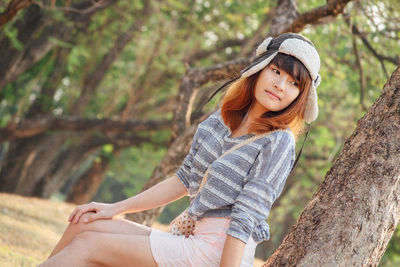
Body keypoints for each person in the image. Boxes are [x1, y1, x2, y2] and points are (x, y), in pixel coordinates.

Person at [39, 32, 321, 267]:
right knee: (85, 223)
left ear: (300, 96)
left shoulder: (279, 141)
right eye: (276, 71)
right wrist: (114, 208)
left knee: (91, 243)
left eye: (294, 83)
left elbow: (247, 217)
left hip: (218, 252)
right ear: (260, 69)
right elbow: (184, 181)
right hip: (192, 239)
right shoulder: (219, 121)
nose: (280, 85)